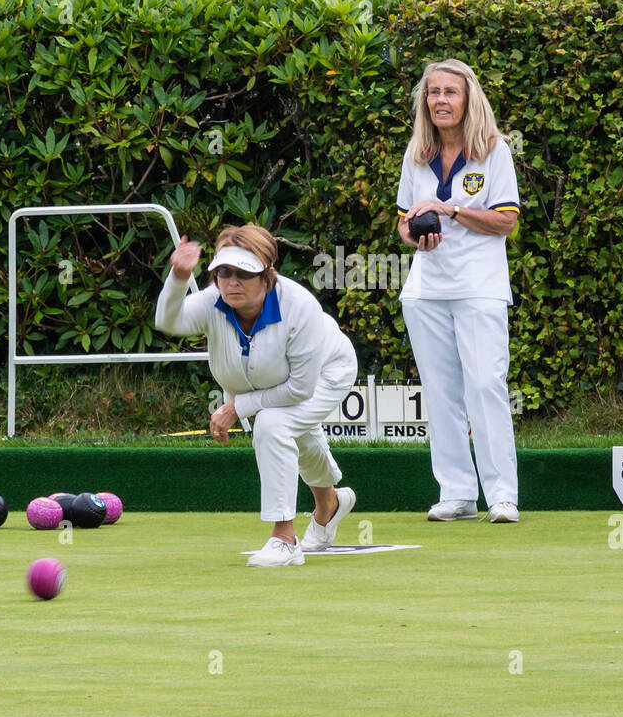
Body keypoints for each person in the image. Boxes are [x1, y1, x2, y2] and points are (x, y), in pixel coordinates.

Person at [155, 224, 357, 565]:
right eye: (224, 272)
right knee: (296, 433)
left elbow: (299, 389)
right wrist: (177, 276)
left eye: (244, 273)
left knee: (273, 424)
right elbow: (168, 320)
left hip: (326, 373)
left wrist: (237, 407)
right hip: (273, 382)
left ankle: (284, 538)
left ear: (267, 276)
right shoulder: (213, 302)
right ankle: (329, 505)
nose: (232, 282)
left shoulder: (299, 306)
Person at [396, 58, 522, 522]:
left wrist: (449, 211)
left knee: (486, 386)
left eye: (450, 92)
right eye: (433, 93)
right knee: (441, 390)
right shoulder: (416, 154)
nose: (440, 101)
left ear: (468, 98)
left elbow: (506, 221)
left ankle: (502, 495)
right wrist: (414, 232)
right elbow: (403, 221)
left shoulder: (494, 151)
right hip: (426, 289)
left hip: (479, 287)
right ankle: (457, 492)